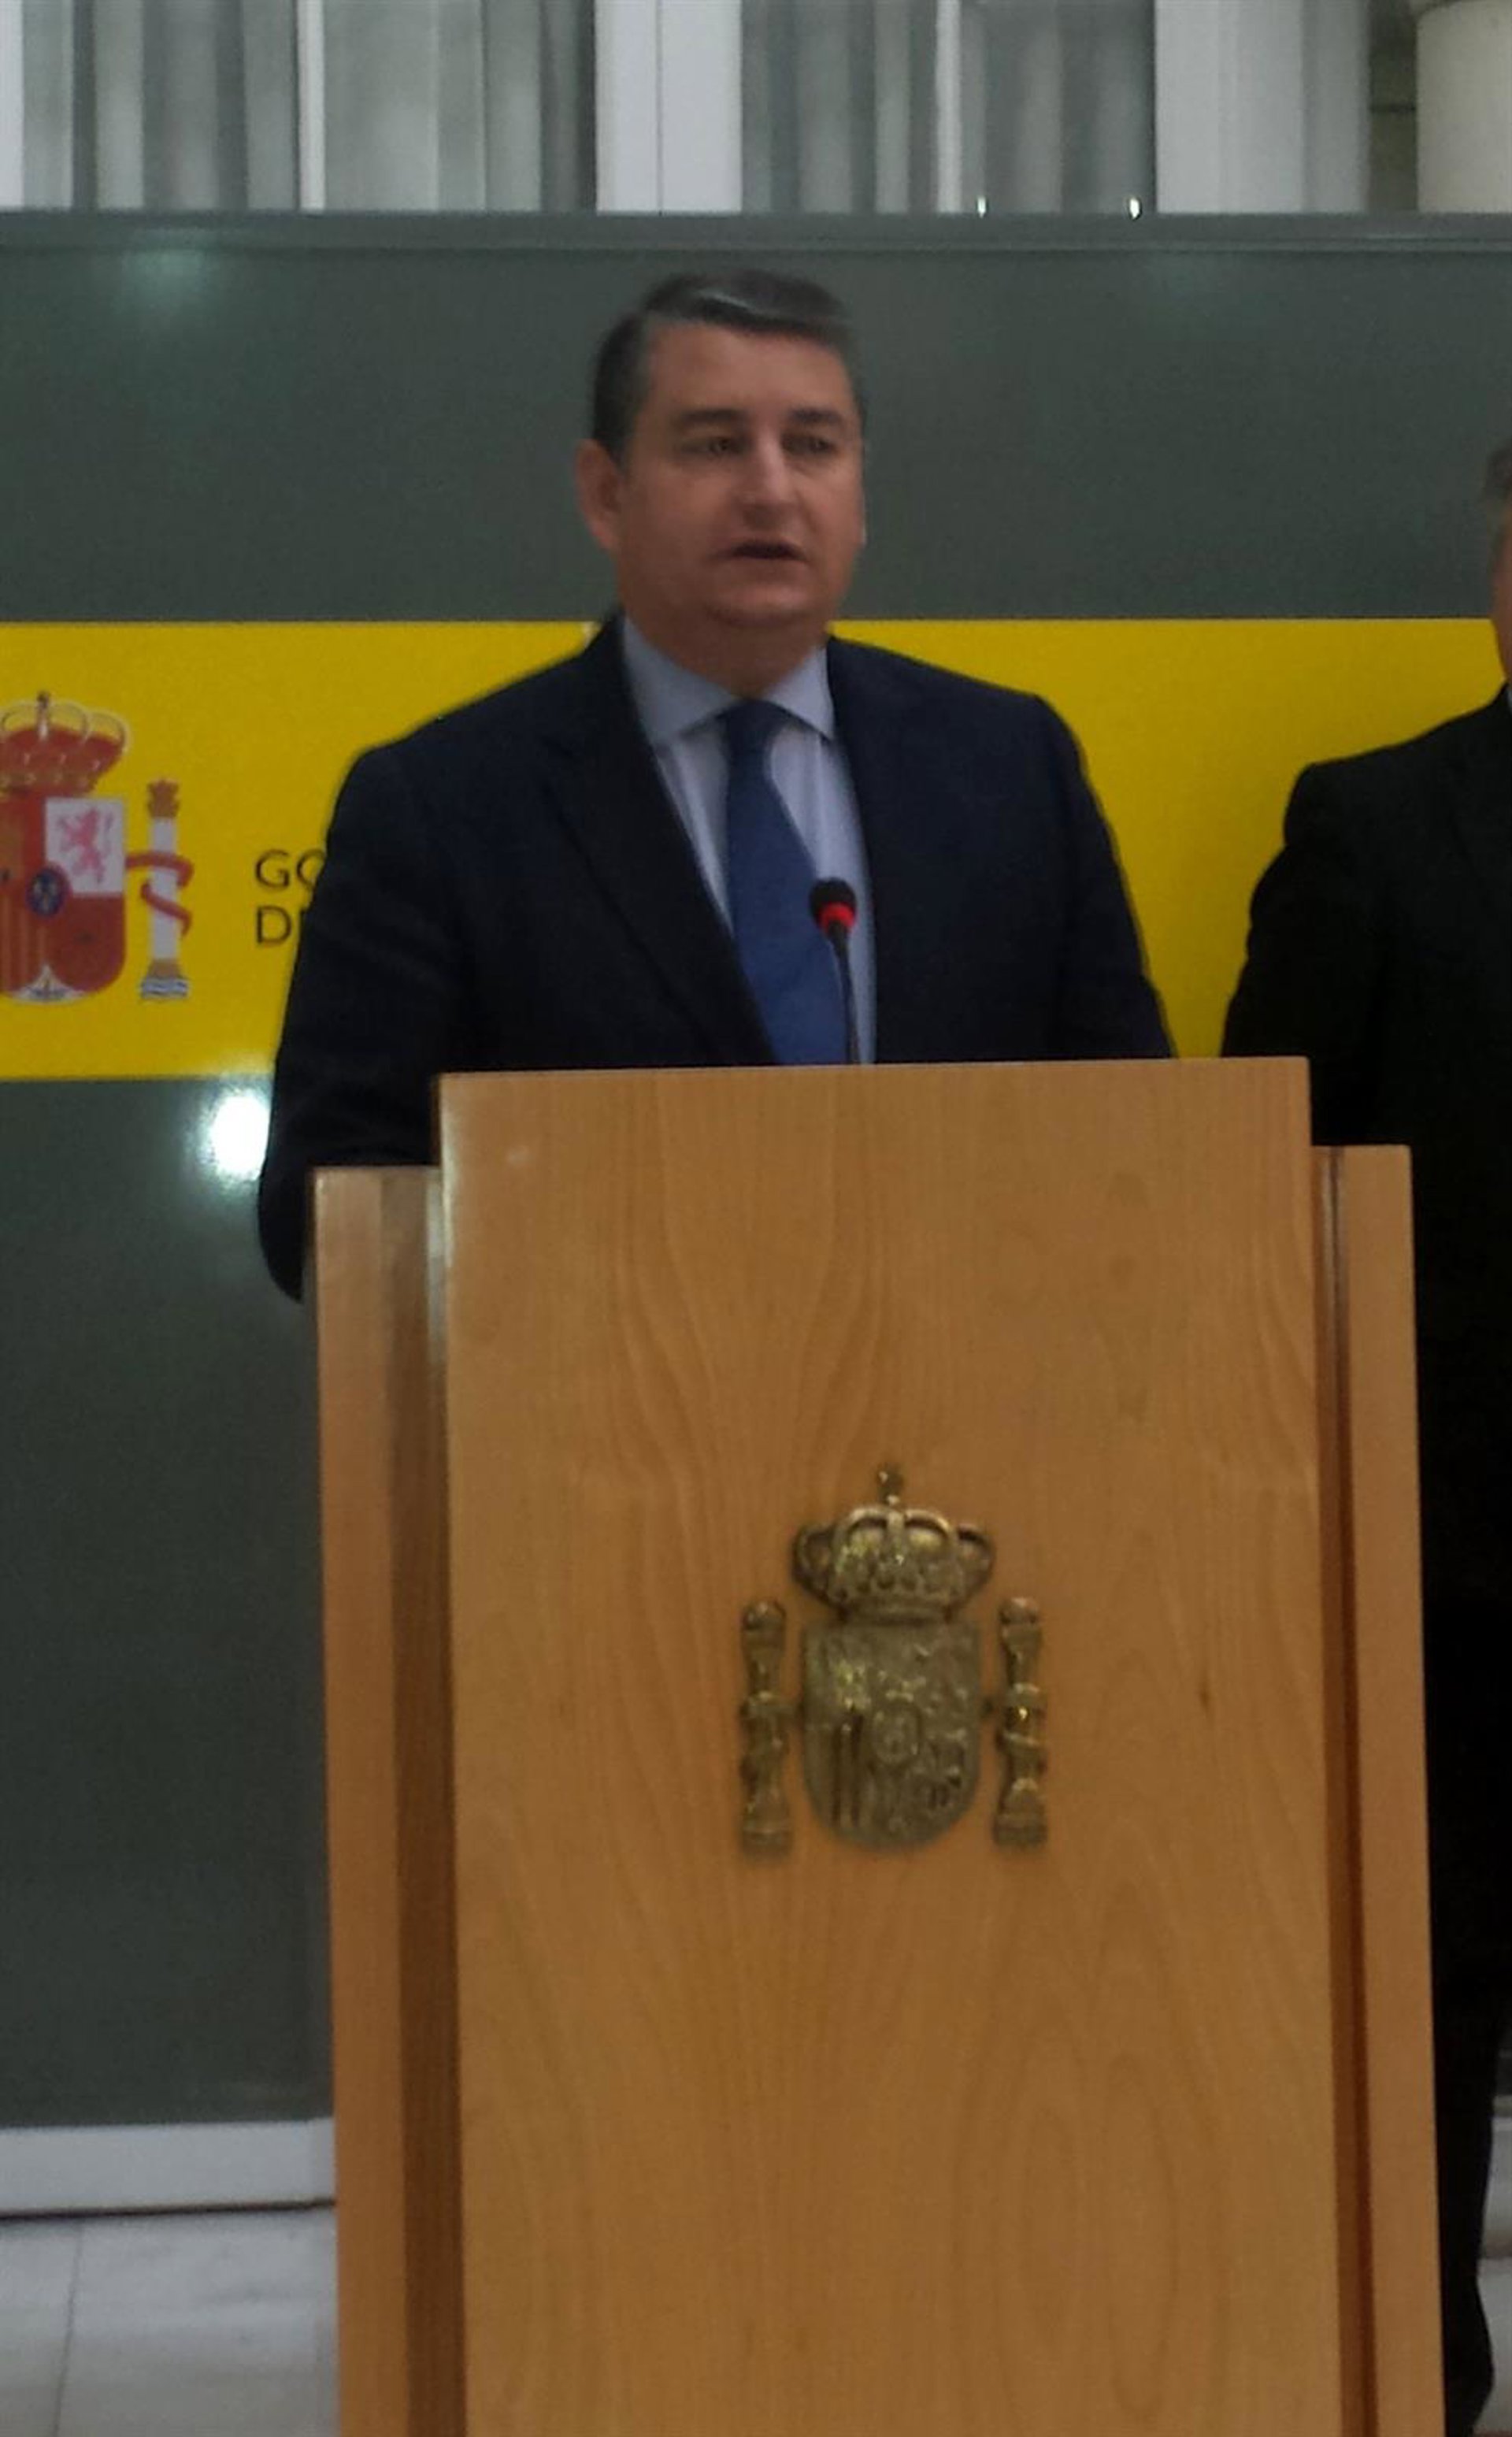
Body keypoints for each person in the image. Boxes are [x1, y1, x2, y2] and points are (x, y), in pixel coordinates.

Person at [258, 269, 1168, 1298]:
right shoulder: (443, 807)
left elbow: (1141, 1139)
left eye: (813, 446)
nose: (772, 490)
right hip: (594, 1384)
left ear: (860, 497)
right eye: (716, 444)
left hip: (969, 1379)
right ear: (607, 494)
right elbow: (326, 1203)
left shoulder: (1011, 770)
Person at [1225, 440, 1512, 2437]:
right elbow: (1261, 1184)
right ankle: (1421, 2376)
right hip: (1448, 1561)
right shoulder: (1375, 827)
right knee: (1423, 2009)